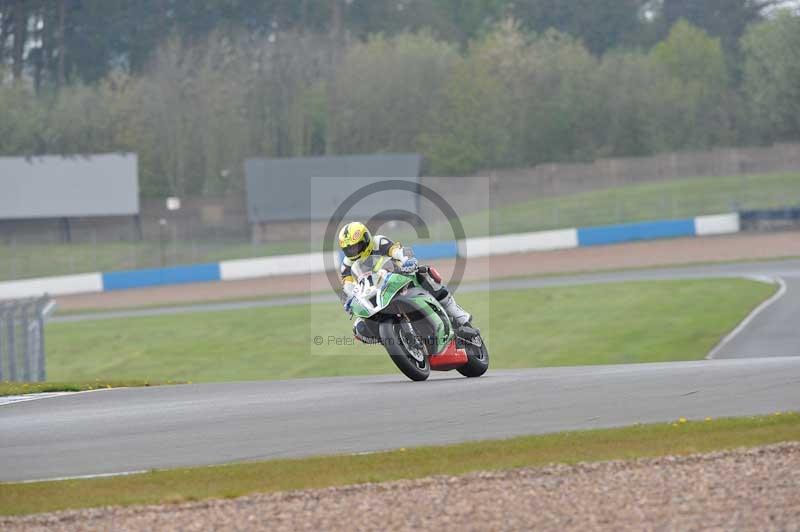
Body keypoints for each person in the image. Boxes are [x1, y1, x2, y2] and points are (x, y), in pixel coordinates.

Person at [338, 221, 470, 344]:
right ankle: (394, 342)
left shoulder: (378, 241)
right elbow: (347, 286)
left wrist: (406, 260)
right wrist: (348, 300)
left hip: (398, 276)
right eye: (349, 249)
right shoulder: (346, 265)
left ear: (366, 239)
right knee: (359, 328)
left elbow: (396, 251)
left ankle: (457, 314)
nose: (353, 251)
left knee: (425, 273)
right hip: (374, 293)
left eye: (357, 246)